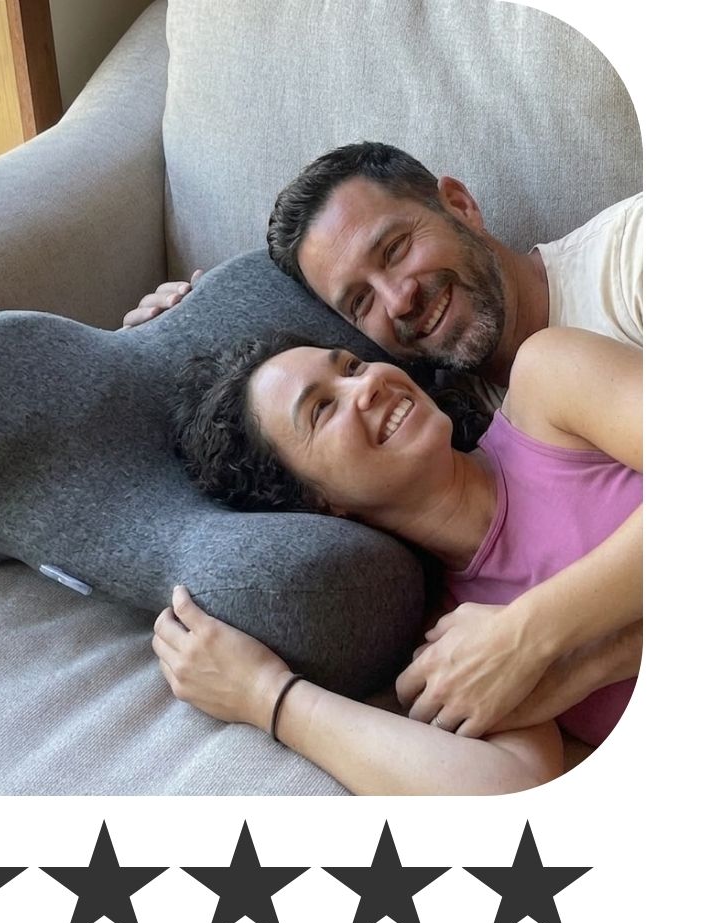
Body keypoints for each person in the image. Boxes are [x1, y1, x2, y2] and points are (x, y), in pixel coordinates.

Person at [127, 141, 643, 738]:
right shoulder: (452, 411)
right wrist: (184, 323)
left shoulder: (634, 264)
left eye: (395, 249)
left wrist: (541, 645)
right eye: (360, 302)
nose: (399, 300)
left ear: (461, 205)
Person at [152, 327, 641, 794]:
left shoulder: (548, 383)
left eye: (352, 366)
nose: (367, 384)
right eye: (322, 409)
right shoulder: (449, 640)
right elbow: (512, 789)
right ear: (316, 503)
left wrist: (532, 641)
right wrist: (269, 696)